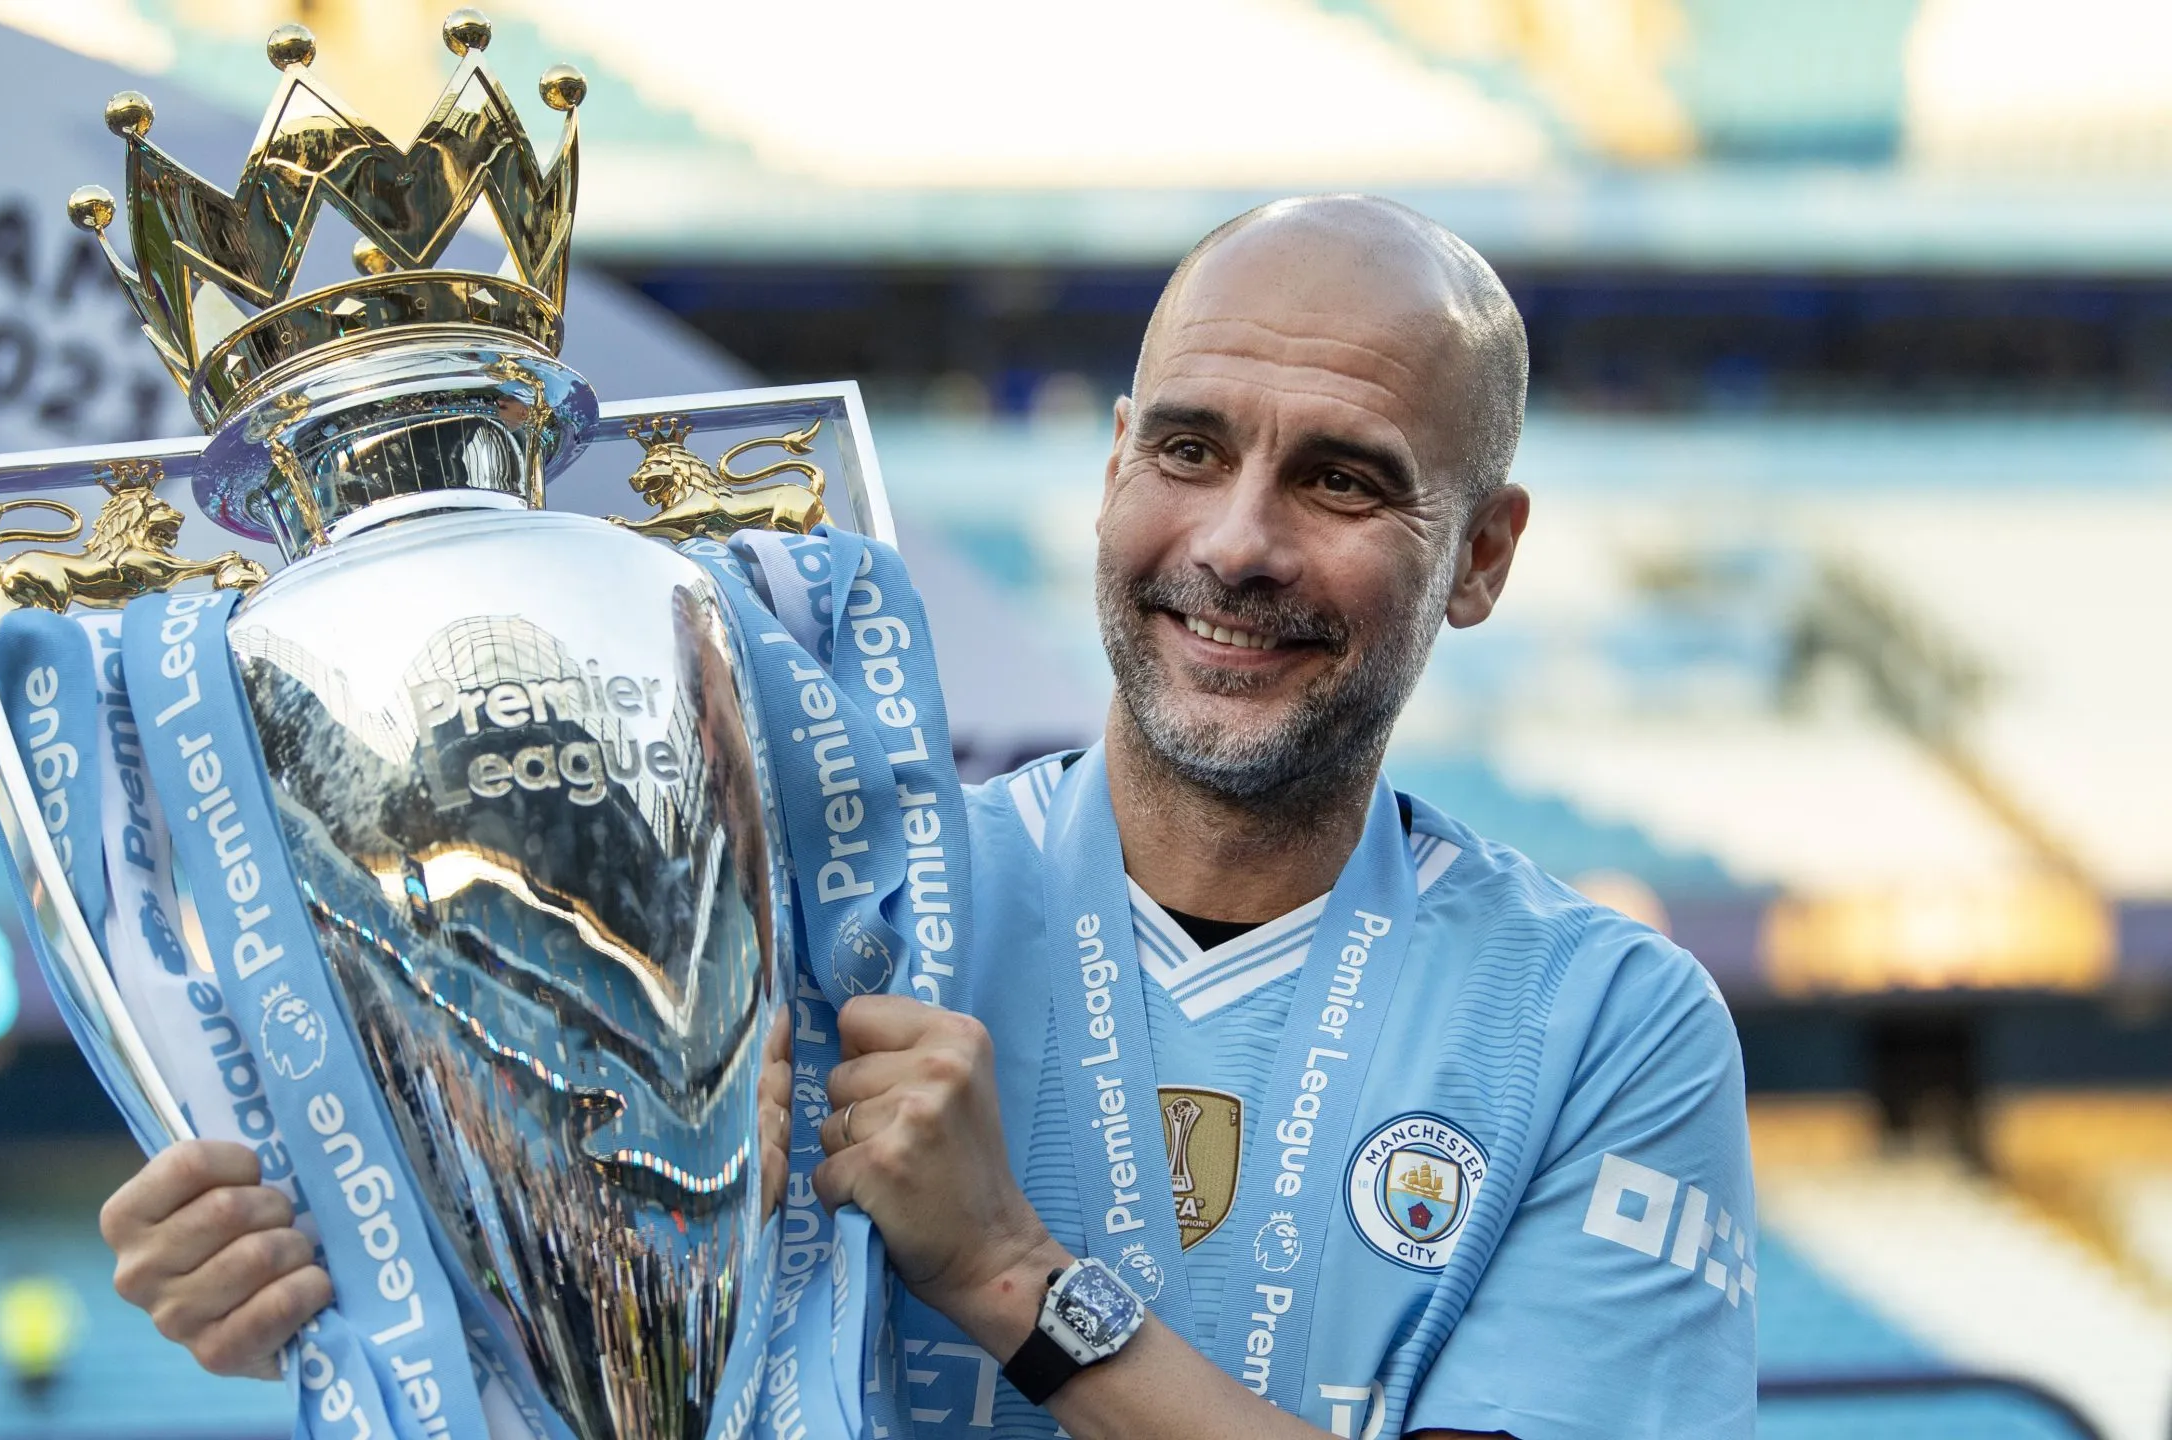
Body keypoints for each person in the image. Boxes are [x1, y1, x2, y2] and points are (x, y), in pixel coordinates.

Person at [97, 196, 1756, 1440]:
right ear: (1113, 474)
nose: (1238, 542)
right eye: (1188, 449)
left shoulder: (1601, 1022)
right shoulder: (810, 904)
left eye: (1342, 478)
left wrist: (1011, 1280)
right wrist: (340, 1282)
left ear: (1480, 554)